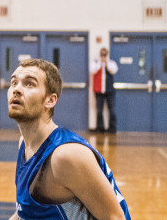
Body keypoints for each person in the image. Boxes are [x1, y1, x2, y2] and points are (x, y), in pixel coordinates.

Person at [7, 59, 130, 220]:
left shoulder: (65, 156)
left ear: (50, 100)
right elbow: (25, 211)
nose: (16, 89)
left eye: (29, 84)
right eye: (14, 82)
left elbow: (116, 218)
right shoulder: (24, 143)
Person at [90, 47, 118, 133]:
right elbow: (92, 70)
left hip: (109, 90)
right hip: (98, 90)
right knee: (99, 110)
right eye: (102, 55)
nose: (103, 56)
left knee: (111, 109)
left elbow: (114, 70)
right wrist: (100, 64)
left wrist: (106, 64)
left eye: (105, 55)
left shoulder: (111, 63)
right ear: (100, 54)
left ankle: (112, 128)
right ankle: (100, 128)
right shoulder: (95, 62)